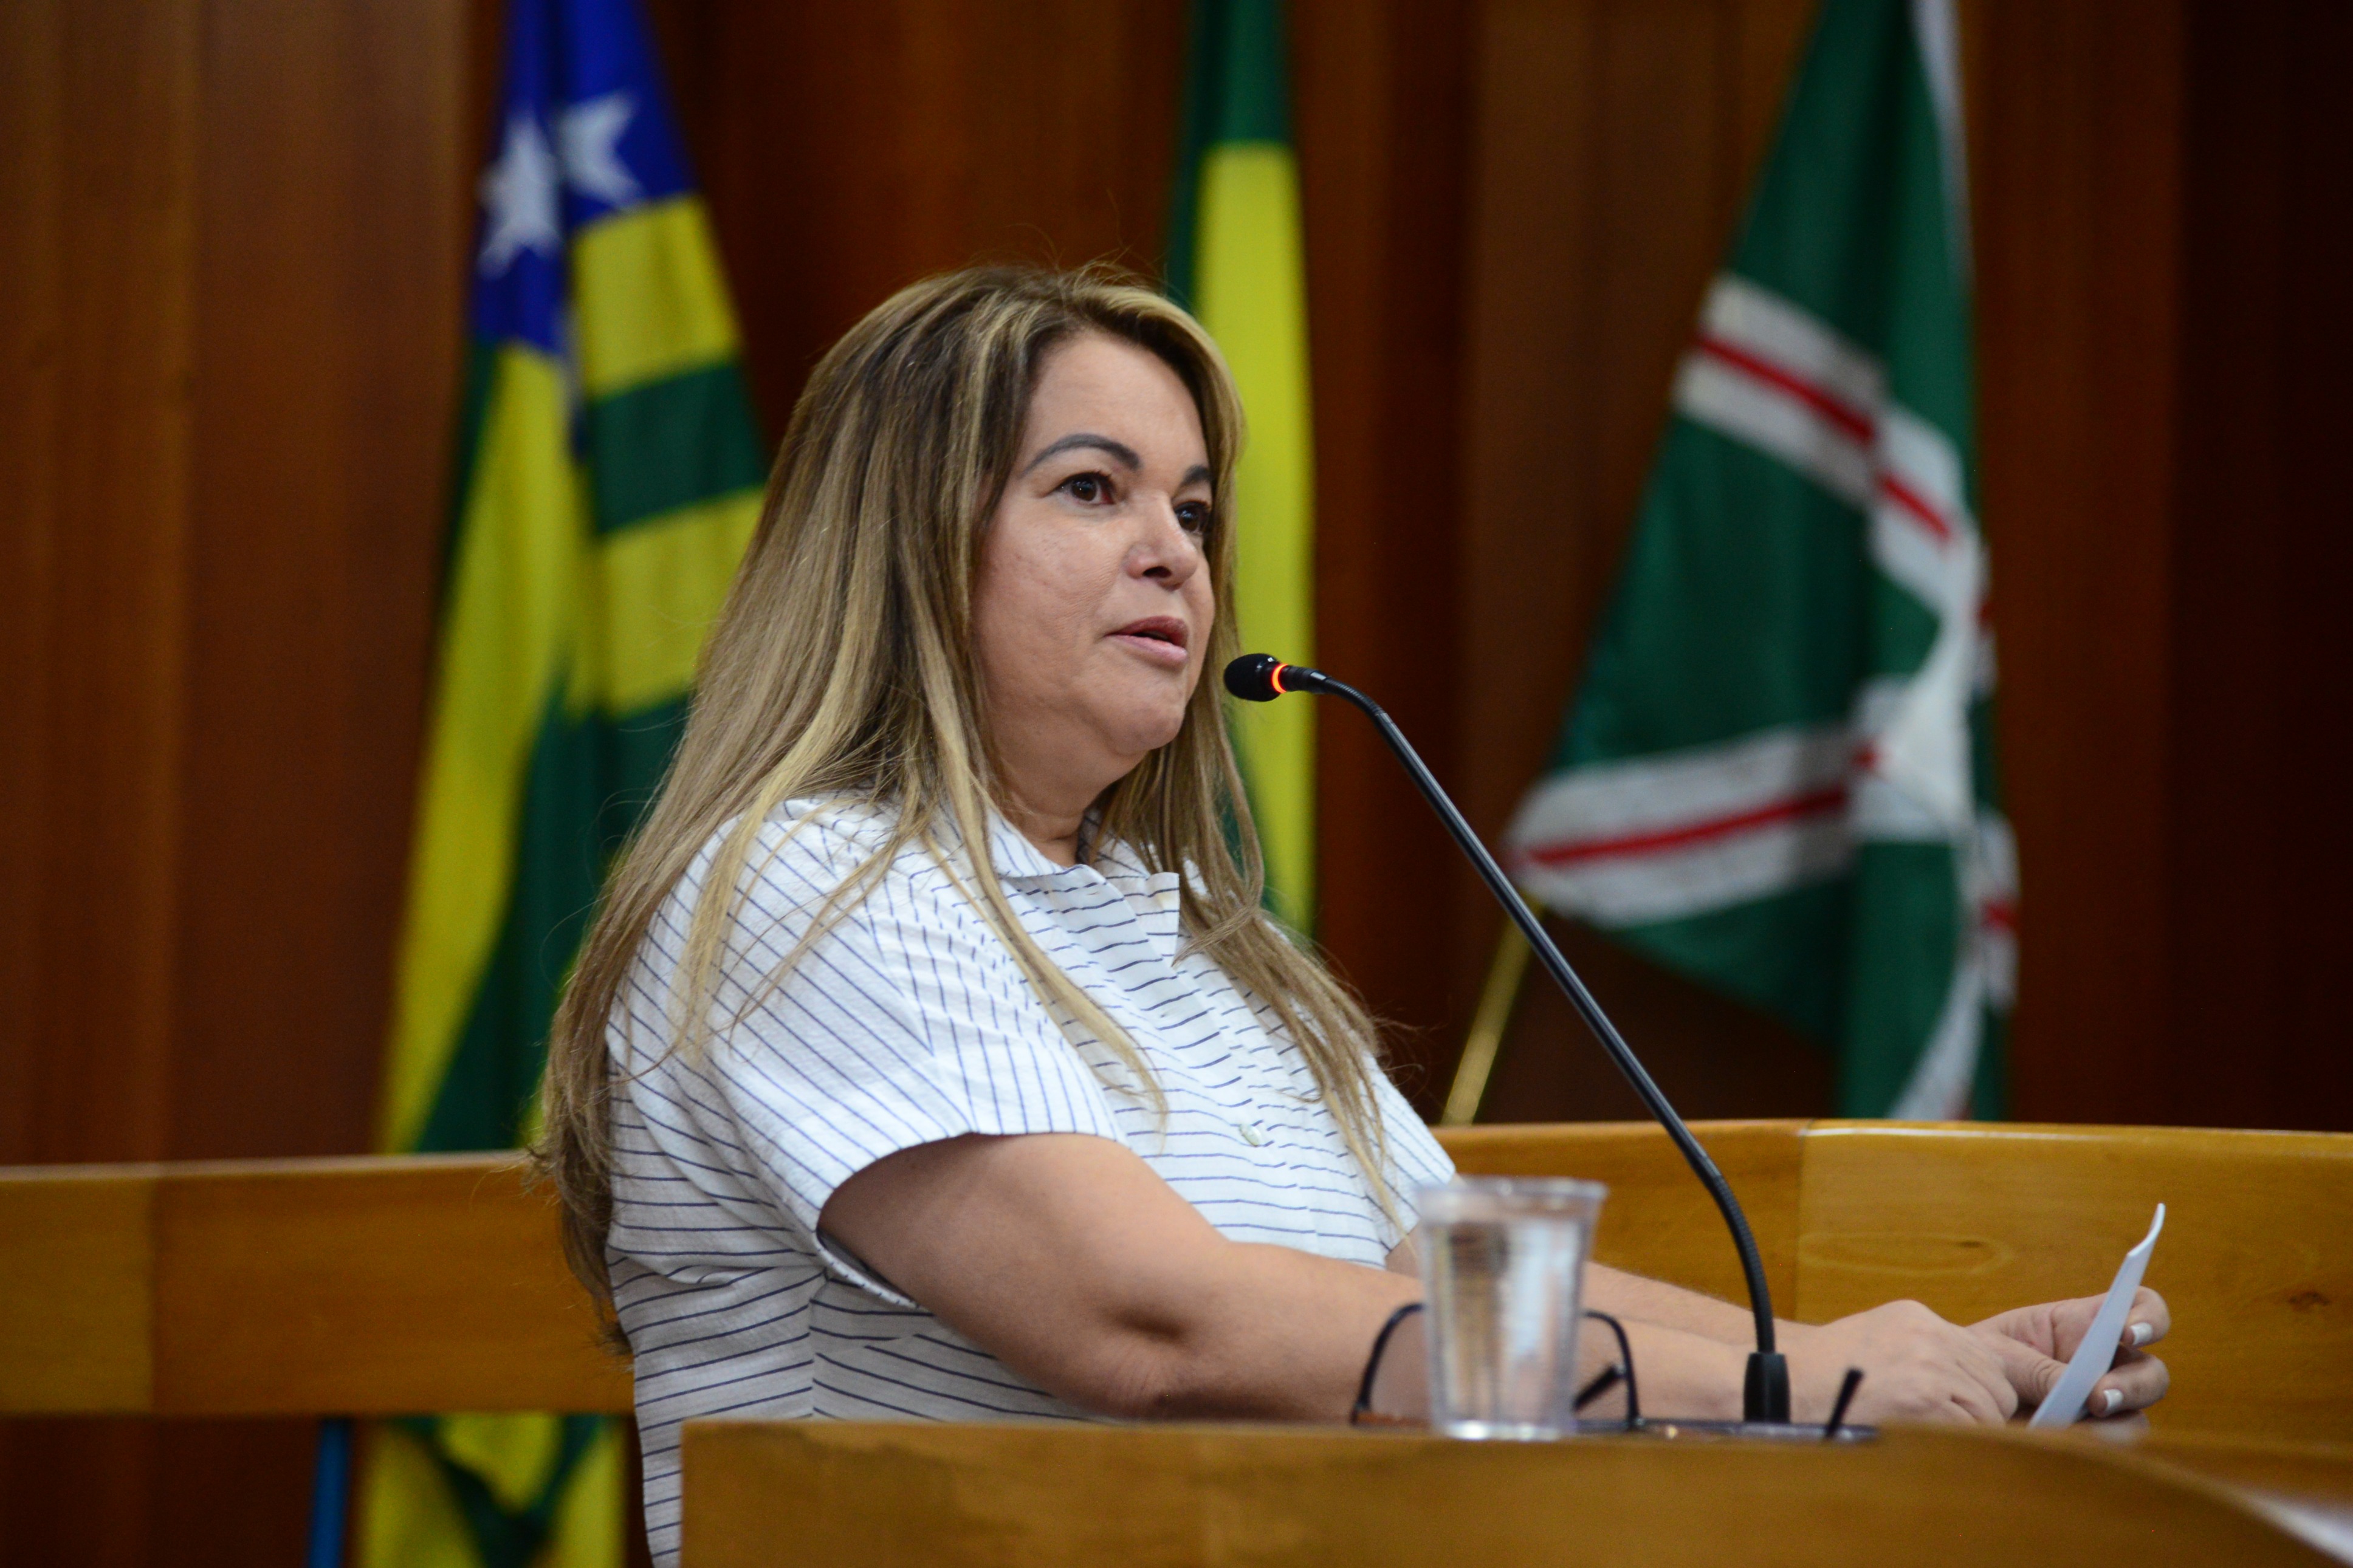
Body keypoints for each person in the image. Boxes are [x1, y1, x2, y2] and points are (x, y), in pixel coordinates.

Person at [535, 266, 2168, 1565]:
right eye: (1094, 490)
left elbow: (1462, 1297)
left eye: (1194, 510)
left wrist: (1913, 1364)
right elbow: (1151, 1324)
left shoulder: (1191, 931)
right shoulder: (810, 886)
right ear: (903, 544)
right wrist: (1797, 1383)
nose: (1176, 556)